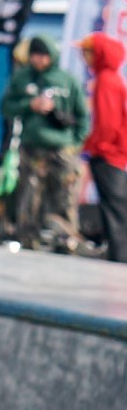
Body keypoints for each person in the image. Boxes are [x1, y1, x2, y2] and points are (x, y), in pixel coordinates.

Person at [1, 36, 87, 252]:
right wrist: (30, 105)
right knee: (29, 198)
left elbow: (82, 117)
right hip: (32, 148)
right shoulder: (23, 78)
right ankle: (28, 242)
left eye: (43, 56)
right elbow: (6, 106)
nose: (39, 60)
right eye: (35, 55)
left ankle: (67, 243)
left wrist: (75, 143)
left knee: (65, 198)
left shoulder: (66, 80)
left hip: (60, 149)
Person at [82, 32, 127, 261]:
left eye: (87, 52)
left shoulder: (106, 81)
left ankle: (119, 260)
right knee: (115, 210)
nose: (83, 57)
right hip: (113, 154)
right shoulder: (112, 78)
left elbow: (107, 125)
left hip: (109, 156)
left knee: (115, 212)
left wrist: (90, 146)